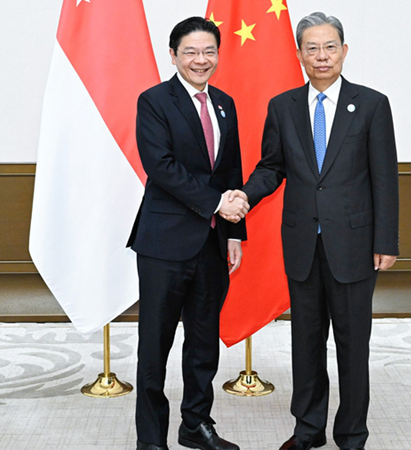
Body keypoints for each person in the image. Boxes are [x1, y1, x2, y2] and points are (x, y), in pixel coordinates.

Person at [225, 12, 399, 450]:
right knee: (306, 342)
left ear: (344, 50)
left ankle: (352, 433)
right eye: (312, 48)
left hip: (355, 244)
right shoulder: (283, 106)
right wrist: (245, 195)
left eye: (330, 47)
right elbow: (272, 167)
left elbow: (385, 178)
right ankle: (307, 430)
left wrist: (386, 241)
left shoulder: (371, 104)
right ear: (300, 54)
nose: (322, 56)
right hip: (302, 242)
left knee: (353, 345)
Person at [128, 16, 249, 450]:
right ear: (173, 55)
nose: (201, 60)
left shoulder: (225, 104)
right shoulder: (154, 101)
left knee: (203, 344)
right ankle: (151, 439)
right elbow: (161, 167)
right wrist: (217, 204)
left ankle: (195, 425)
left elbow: (231, 171)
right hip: (165, 243)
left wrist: (234, 231)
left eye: (209, 51)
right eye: (191, 52)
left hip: (213, 243)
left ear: (218, 54)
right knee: (155, 346)